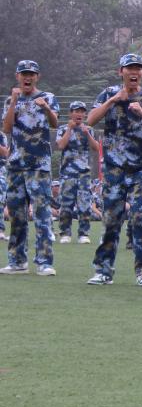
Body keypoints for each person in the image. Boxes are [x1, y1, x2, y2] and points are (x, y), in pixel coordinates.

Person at [83, 54, 142, 286]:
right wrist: (112, 101)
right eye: (129, 68)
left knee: (141, 219)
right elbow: (90, 120)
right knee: (111, 220)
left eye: (138, 69)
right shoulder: (108, 93)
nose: (134, 72)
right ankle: (103, 271)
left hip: (140, 168)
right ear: (121, 72)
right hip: (113, 168)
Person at [0, 60, 59, 276]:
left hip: (39, 165)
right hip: (16, 165)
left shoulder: (48, 97)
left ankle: (44, 262)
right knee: (17, 215)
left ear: (37, 77)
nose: (27, 77)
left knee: (42, 214)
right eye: (24, 73)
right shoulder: (11, 100)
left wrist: (46, 108)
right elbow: (6, 128)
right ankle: (17, 261)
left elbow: (55, 124)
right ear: (17, 76)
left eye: (31, 74)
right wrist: (14, 102)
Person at [55, 101, 98, 245]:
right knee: (66, 204)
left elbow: (96, 148)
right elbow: (61, 145)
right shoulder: (63, 129)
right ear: (70, 113)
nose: (79, 114)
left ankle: (83, 234)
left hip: (84, 173)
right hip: (67, 172)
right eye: (76, 111)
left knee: (85, 204)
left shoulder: (89, 129)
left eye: (82, 111)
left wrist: (87, 134)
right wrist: (69, 129)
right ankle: (65, 233)